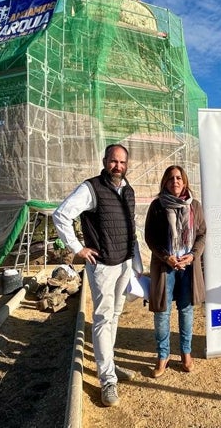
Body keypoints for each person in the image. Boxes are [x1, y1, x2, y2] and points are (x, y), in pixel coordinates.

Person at [53, 143, 139, 407]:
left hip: (123, 263)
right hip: (102, 265)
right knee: (102, 318)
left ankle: (109, 367)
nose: (118, 166)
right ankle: (107, 380)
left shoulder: (128, 190)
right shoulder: (91, 188)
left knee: (114, 316)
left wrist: (136, 262)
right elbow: (61, 215)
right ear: (105, 161)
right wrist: (78, 249)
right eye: (114, 161)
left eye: (122, 162)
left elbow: (131, 228)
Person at [144, 165, 206, 378]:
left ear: (185, 181)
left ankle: (186, 353)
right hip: (165, 266)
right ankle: (163, 355)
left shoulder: (195, 206)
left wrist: (192, 255)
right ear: (165, 183)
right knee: (162, 312)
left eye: (179, 178)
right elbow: (150, 237)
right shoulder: (157, 206)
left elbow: (202, 235)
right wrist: (166, 257)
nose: (175, 181)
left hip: (187, 267)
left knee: (186, 310)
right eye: (170, 179)